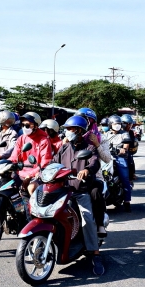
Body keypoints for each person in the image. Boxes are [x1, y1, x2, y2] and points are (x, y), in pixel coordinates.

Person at [53, 115, 104, 275]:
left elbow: (94, 162)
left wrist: (87, 170)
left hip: (80, 192)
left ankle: (95, 253)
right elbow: (54, 162)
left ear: (79, 131)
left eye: (70, 129)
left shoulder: (89, 147)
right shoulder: (64, 148)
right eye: (66, 129)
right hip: (63, 191)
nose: (67, 132)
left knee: (87, 218)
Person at [9, 112, 52, 193]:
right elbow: (14, 156)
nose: (25, 128)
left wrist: (31, 175)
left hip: (36, 175)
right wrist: (5, 163)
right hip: (20, 172)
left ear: (36, 125)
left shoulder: (44, 140)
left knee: (31, 188)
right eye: (23, 125)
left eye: (27, 125)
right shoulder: (21, 138)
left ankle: (33, 205)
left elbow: (45, 163)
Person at [103, 115, 133, 212]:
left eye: (119, 124)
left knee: (125, 178)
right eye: (115, 124)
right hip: (106, 158)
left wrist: (123, 149)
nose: (117, 125)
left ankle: (127, 201)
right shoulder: (106, 135)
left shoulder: (124, 134)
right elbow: (100, 144)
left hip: (120, 158)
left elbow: (126, 144)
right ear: (110, 124)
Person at [121, 114, 138, 180]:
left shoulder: (130, 132)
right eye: (127, 124)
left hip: (126, 150)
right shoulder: (118, 131)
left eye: (130, 124)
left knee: (130, 159)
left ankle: (132, 174)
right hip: (115, 149)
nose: (129, 126)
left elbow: (131, 141)